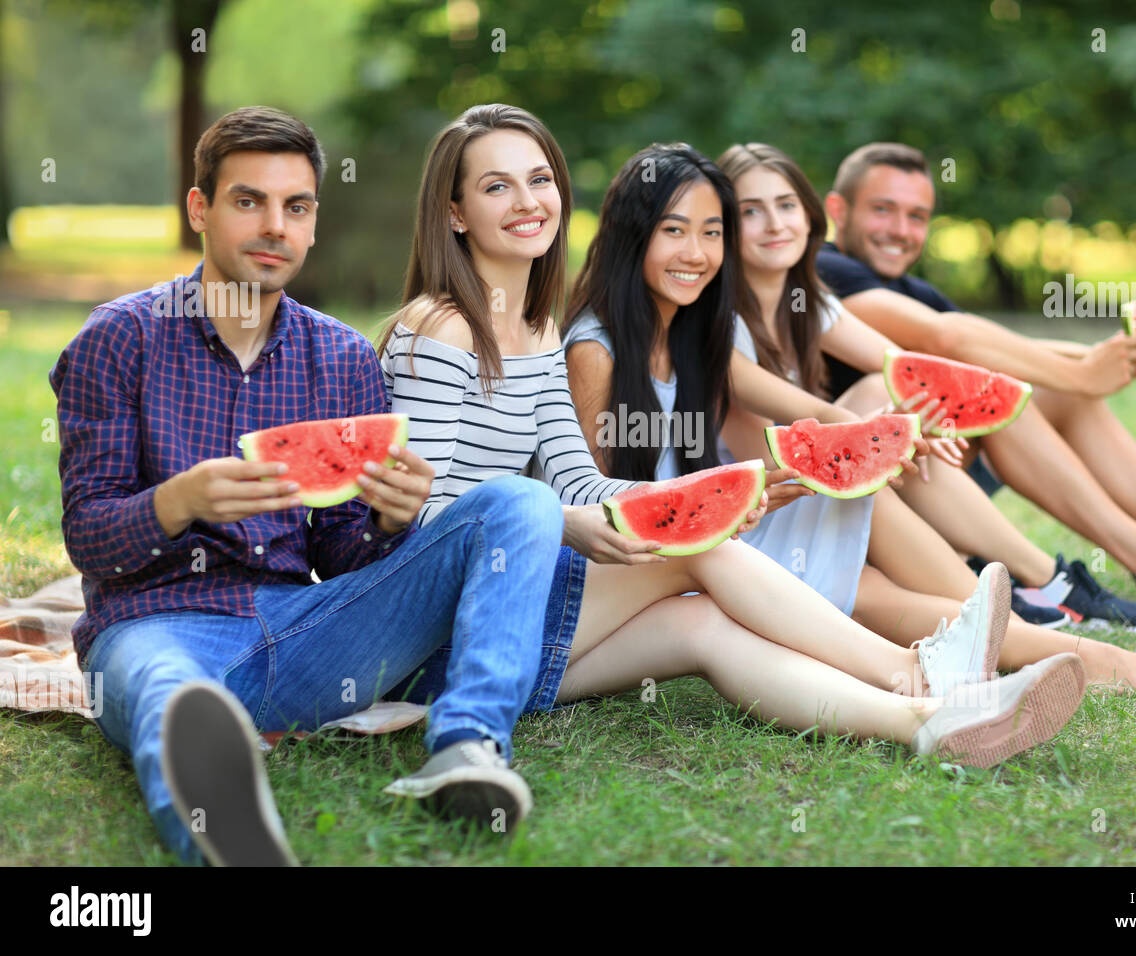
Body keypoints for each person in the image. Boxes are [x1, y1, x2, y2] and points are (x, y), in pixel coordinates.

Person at [376, 104, 1086, 774]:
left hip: (506, 635)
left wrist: (713, 495)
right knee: (705, 557)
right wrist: (589, 524)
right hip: (453, 633)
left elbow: (582, 486)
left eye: (539, 180)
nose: (528, 201)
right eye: (497, 186)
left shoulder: (535, 332)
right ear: (454, 212)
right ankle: (920, 669)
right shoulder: (442, 328)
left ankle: (929, 721)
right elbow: (417, 520)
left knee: (700, 627)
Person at [49, 106, 570, 867]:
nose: (274, 226)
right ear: (200, 208)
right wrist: (178, 501)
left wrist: (390, 522)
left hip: (307, 633)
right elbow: (87, 533)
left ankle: (465, 748)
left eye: (295, 207)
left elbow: (343, 558)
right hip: (157, 627)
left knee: (523, 500)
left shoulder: (343, 358)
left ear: (314, 222)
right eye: (247, 201)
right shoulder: (118, 339)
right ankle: (228, 835)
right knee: (171, 694)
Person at [563, 140, 1136, 695]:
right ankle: (1069, 638)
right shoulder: (604, 346)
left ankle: (1064, 648)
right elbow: (595, 504)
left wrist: (877, 440)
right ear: (632, 234)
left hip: (742, 530)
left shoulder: (701, 327)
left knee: (908, 574)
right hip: (681, 557)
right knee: (882, 558)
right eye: (676, 230)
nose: (698, 252)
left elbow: (822, 407)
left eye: (711, 232)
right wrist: (760, 484)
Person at [815, 142, 1136, 614]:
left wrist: (1101, 359)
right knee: (994, 387)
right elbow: (947, 339)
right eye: (883, 209)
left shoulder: (911, 288)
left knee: (1055, 395)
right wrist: (1080, 371)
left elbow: (995, 345)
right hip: (864, 486)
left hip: (936, 472)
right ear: (839, 209)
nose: (900, 229)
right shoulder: (825, 269)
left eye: (917, 216)